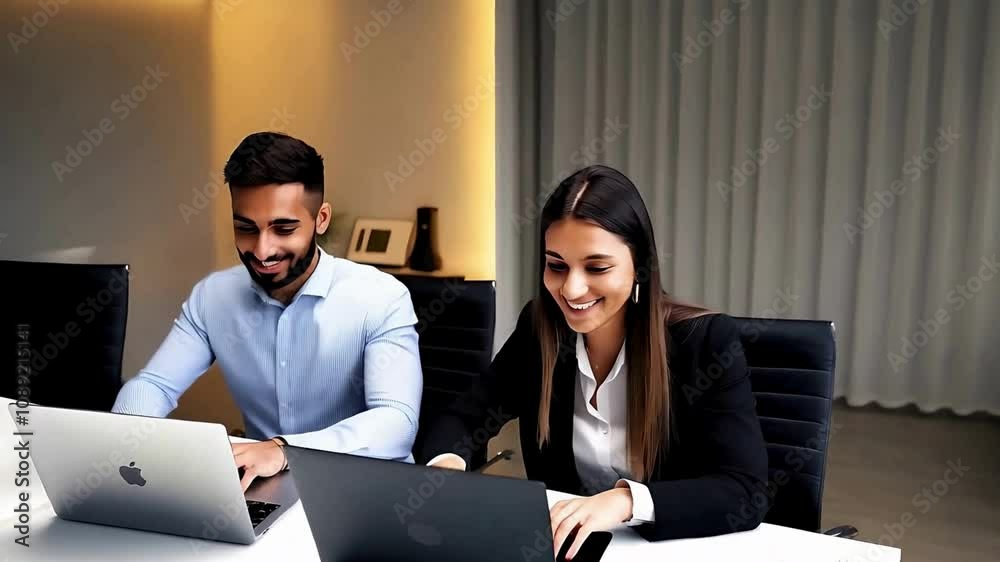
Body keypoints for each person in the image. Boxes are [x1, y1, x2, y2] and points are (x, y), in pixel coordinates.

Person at [421, 165, 769, 558]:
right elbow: (464, 415)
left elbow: (745, 491)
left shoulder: (703, 342)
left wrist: (625, 502)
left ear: (639, 266)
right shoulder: (541, 329)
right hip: (567, 550)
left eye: (596, 267)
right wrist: (447, 465)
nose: (571, 288)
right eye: (556, 265)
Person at [113, 132, 422, 491]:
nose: (262, 250)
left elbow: (396, 423)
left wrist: (283, 449)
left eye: (284, 228)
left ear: (321, 219)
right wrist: (120, 441)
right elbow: (154, 385)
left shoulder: (382, 298)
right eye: (246, 228)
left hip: (365, 493)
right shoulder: (212, 297)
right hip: (264, 490)